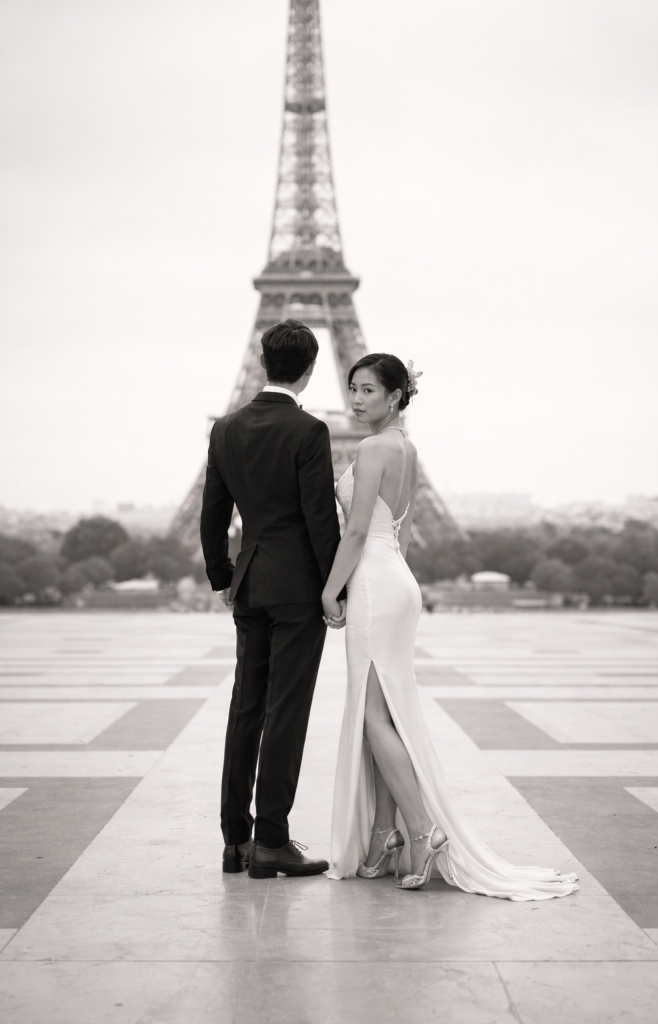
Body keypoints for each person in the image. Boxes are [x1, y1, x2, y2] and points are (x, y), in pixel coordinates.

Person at [323, 353, 579, 898]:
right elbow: (403, 531)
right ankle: (384, 835)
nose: (357, 399)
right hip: (397, 580)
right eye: (353, 388)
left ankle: (423, 828)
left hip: (372, 582)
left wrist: (330, 589)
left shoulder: (371, 448)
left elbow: (354, 534)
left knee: (371, 717)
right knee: (385, 713)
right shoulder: (407, 450)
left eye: (368, 390)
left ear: (395, 396)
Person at [200, 319, 346, 880]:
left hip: (251, 584)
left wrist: (222, 577)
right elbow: (318, 520)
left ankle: (234, 842)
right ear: (311, 369)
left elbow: (214, 515)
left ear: (263, 362)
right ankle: (272, 842)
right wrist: (335, 589)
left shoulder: (226, 429)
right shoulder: (308, 431)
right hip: (297, 590)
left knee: (245, 709)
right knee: (287, 712)